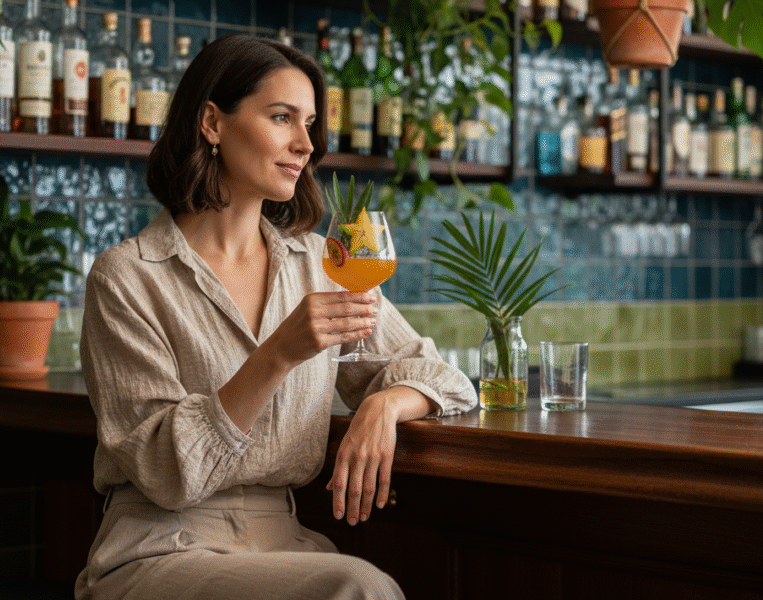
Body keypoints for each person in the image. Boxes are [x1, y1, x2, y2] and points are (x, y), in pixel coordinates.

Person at [74, 33, 477, 600]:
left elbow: (442, 377)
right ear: (212, 123)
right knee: (359, 589)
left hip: (285, 541)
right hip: (161, 549)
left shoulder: (321, 263)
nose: (306, 144)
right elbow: (167, 473)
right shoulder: (127, 278)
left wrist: (386, 403)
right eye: (283, 118)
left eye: (311, 124)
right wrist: (279, 352)